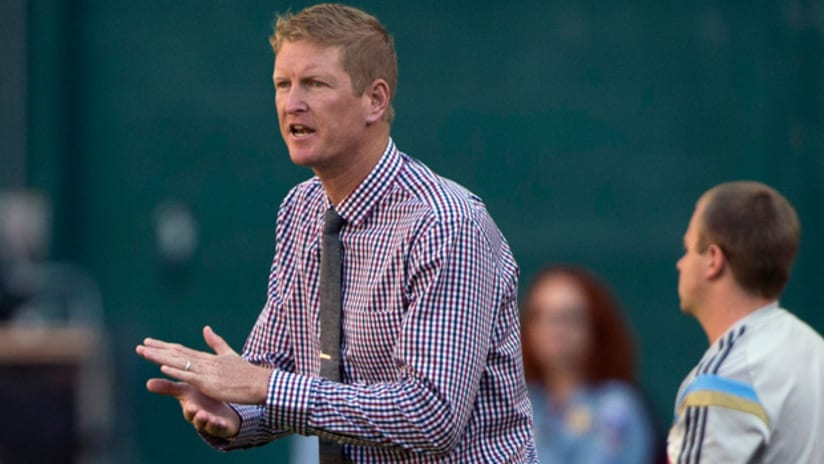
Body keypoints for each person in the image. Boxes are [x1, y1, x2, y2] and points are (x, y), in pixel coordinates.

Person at [136, 3, 537, 462]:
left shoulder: (445, 223)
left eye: (315, 84)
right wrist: (234, 414)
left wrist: (262, 386)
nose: (292, 104)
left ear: (376, 100)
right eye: (282, 85)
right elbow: (280, 376)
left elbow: (430, 415)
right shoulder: (300, 209)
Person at [668, 181, 824, 463]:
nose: (681, 263)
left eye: (688, 248)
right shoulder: (815, 349)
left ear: (713, 260)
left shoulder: (726, 375)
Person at [521, 265, 656, 463]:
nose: (555, 330)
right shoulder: (523, 403)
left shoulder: (616, 405)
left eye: (569, 317)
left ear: (595, 327)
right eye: (541, 316)